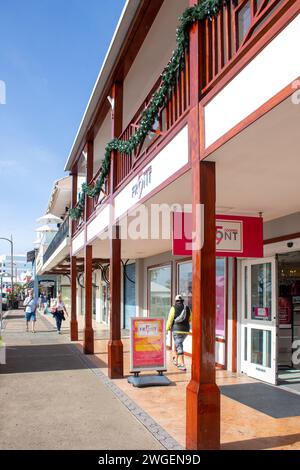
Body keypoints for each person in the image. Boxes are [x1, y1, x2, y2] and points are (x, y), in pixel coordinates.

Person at [166, 294, 191, 372]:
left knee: (179, 345)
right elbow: (190, 318)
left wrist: (167, 328)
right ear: (182, 301)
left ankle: (182, 364)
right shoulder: (187, 308)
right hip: (186, 330)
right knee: (178, 343)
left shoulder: (173, 308)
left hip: (176, 329)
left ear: (176, 301)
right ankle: (175, 359)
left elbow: (170, 319)